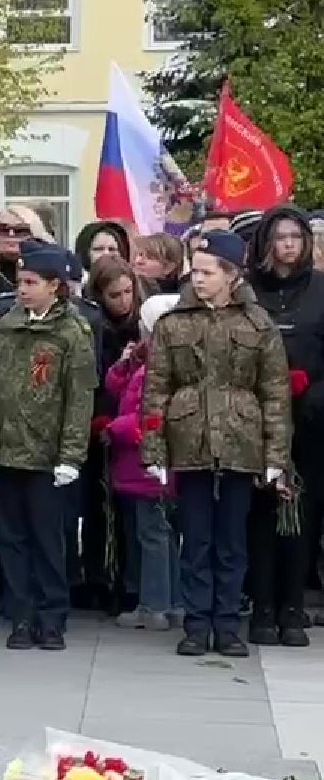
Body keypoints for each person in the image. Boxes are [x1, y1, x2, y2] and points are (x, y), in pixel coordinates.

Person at [146, 231, 291, 658]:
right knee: (196, 539)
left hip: (240, 441)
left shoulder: (257, 324)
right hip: (189, 439)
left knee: (232, 541)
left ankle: (227, 624)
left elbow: (275, 394)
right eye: (195, 271)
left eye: (208, 272)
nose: (199, 279)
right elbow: (155, 392)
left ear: (231, 275)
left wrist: (275, 454)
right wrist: (154, 447)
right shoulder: (173, 324)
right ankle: (196, 624)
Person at [0, 240, 97, 650]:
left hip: (47, 455)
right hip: (7, 450)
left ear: (55, 286)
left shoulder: (72, 331)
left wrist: (71, 455)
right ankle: (21, 615)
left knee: (48, 539)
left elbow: (79, 398)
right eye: (21, 281)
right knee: (11, 538)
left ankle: (52, 616)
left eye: (31, 282)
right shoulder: (7, 326)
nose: (22, 289)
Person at [244, 207, 324, 647]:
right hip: (256, 422)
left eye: (296, 236)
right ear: (266, 243)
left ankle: (293, 608)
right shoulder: (250, 292)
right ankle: (262, 607)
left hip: (310, 423)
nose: (288, 244)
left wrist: (309, 393)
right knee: (260, 515)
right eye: (280, 237)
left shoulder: (320, 291)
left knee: (302, 515)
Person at [107, 294, 181, 630]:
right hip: (148, 468)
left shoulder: (160, 368)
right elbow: (117, 387)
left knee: (153, 536)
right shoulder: (149, 362)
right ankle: (174, 602)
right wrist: (125, 363)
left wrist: (113, 428)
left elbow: (146, 417)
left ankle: (154, 605)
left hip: (147, 467)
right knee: (164, 535)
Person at [0, 206, 50, 329]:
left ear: (34, 233)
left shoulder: (49, 275)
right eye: (3, 229)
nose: (11, 234)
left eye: (20, 230)